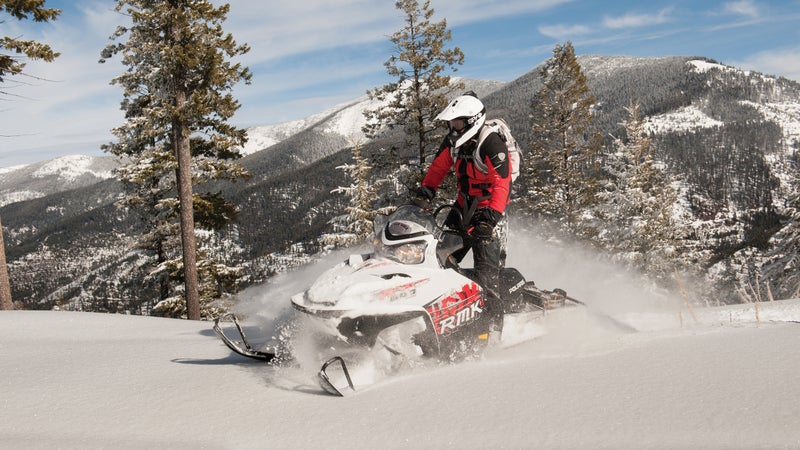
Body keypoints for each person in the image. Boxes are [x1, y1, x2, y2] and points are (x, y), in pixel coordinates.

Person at [413, 91, 511, 335]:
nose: (453, 128)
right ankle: (443, 318)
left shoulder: (491, 142)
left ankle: (492, 332)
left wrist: (489, 219)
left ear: (472, 120)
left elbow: (502, 183)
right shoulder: (452, 142)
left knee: (487, 278)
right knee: (440, 260)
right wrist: (425, 192)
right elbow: (438, 167)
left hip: (490, 213)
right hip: (462, 206)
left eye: (457, 123)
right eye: (451, 123)